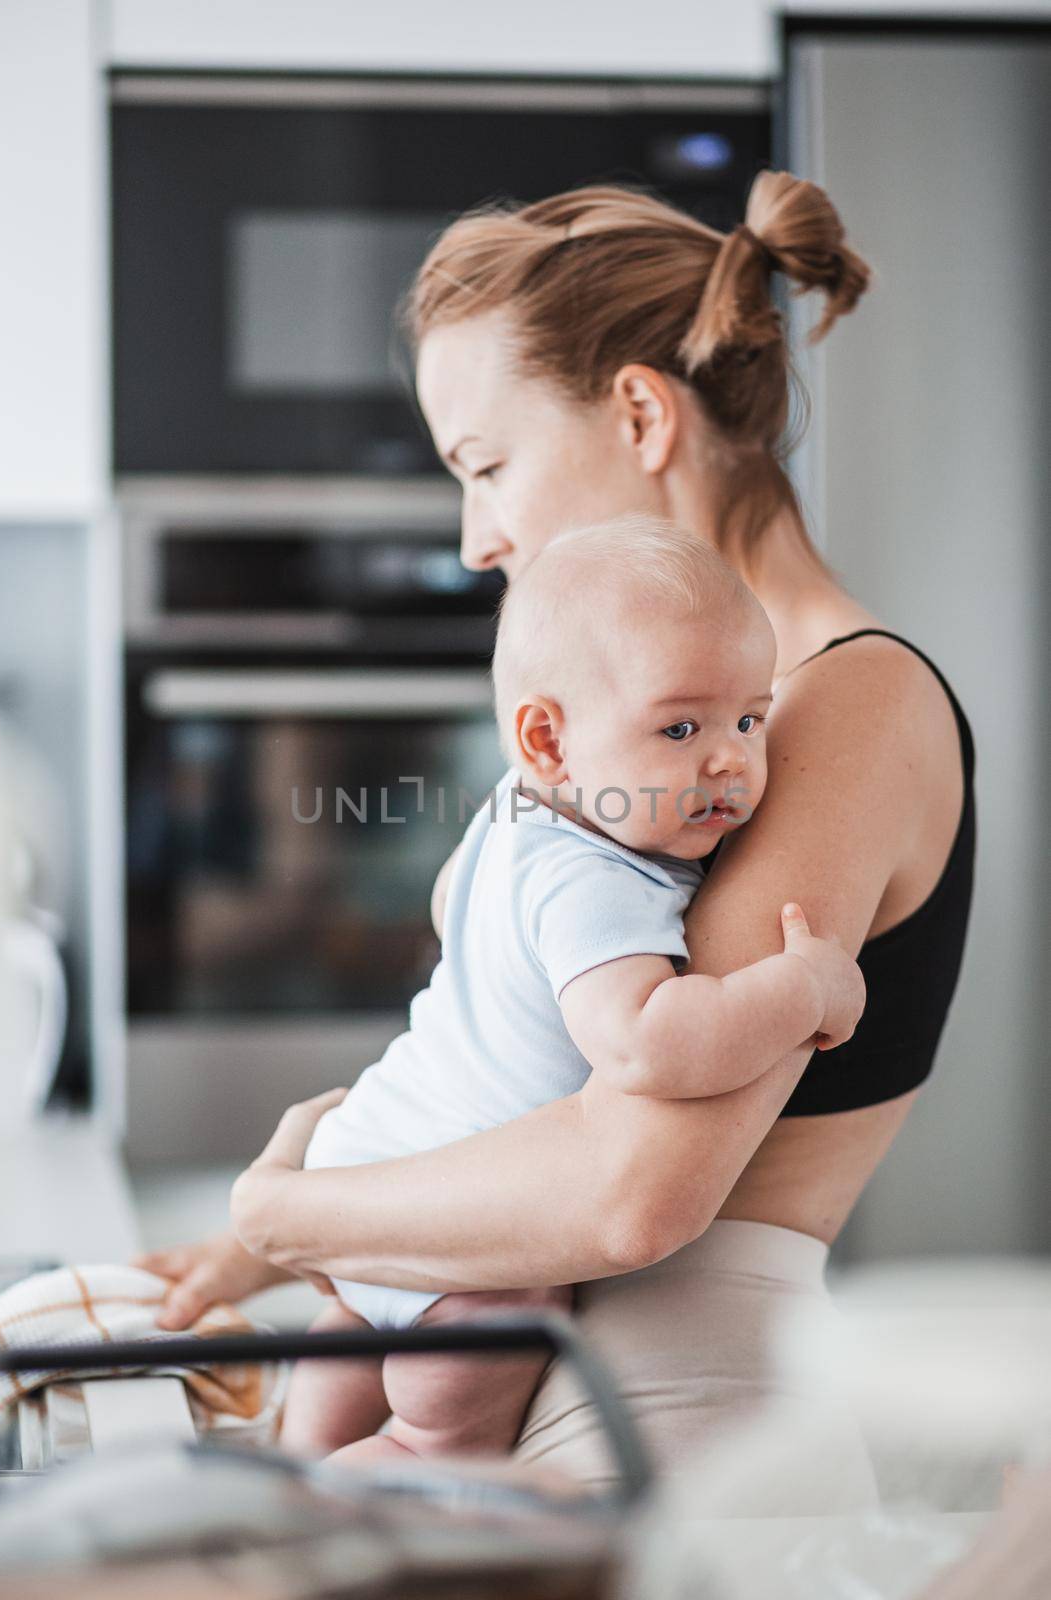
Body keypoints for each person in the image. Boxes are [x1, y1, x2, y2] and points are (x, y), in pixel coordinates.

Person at [137, 169, 976, 1511]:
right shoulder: (637, 741)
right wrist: (279, 1244)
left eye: (486, 466)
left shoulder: (836, 706)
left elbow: (627, 1189)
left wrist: (294, 1219)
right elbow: (511, 1047)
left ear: (640, 413)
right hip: (540, 1380)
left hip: (667, 1431)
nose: (477, 539)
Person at [275, 517, 864, 1462]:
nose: (730, 759)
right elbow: (647, 1045)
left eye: (749, 719)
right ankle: (355, 1493)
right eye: (679, 726)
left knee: (338, 1377)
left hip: (371, 1172)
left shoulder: (515, 814)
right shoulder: (594, 878)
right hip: (472, 1242)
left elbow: (456, 915)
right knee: (441, 1445)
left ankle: (287, 1473)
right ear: (546, 740)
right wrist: (804, 991)